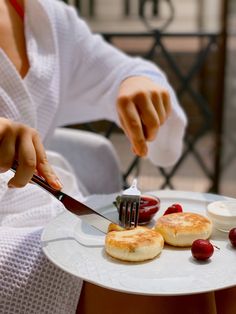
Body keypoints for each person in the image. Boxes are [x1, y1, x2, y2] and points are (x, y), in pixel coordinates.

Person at [4, 1, 234, 314]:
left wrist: (134, 82)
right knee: (170, 293)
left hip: (49, 210)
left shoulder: (42, 14)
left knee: (223, 280)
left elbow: (127, 69)